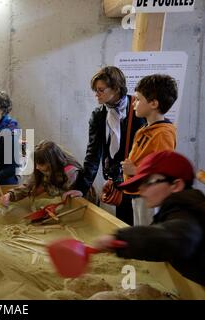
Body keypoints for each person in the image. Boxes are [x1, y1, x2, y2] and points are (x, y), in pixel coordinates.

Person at [94, 151, 205, 286]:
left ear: (175, 185)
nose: (141, 189)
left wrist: (119, 239)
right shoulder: (171, 211)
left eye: (148, 182)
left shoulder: (187, 211)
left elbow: (176, 237)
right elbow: (159, 248)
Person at [78, 66, 145, 226]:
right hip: (117, 181)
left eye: (100, 90)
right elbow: (93, 153)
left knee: (141, 224)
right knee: (124, 224)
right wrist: (81, 188)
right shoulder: (99, 115)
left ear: (115, 88)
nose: (96, 94)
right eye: (95, 90)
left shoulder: (139, 109)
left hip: (139, 180)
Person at [121, 74, 177, 226]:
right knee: (141, 232)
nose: (134, 103)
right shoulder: (147, 128)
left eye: (138, 99)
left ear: (153, 103)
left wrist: (135, 170)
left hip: (150, 194)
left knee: (148, 236)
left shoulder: (162, 133)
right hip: (140, 192)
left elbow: (163, 171)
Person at [0, 140, 86, 207]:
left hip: (81, 200)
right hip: (61, 196)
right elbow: (28, 185)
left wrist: (45, 187)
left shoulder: (70, 172)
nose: (37, 167)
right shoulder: (42, 166)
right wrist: (10, 195)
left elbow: (68, 198)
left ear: (51, 162)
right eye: (36, 163)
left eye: (40, 164)